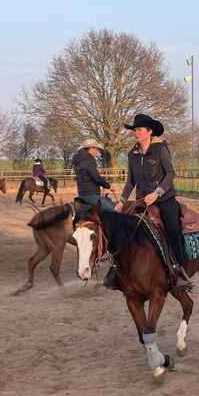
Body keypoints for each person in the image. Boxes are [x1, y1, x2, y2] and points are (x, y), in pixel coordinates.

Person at [112, 113, 189, 290]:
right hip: (141, 200)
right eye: (135, 130)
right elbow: (130, 181)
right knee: (126, 230)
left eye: (139, 130)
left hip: (164, 198)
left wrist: (157, 193)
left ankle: (181, 271)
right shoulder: (132, 154)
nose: (136, 133)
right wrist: (122, 201)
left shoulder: (160, 149)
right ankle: (118, 272)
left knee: (172, 229)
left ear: (149, 131)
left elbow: (170, 173)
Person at [73, 138, 117, 212]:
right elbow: (96, 178)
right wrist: (109, 186)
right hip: (92, 195)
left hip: (82, 194)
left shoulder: (79, 160)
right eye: (96, 149)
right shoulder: (89, 160)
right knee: (115, 209)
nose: (97, 152)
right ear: (92, 149)